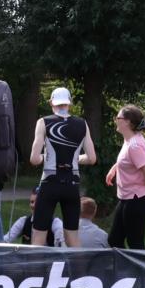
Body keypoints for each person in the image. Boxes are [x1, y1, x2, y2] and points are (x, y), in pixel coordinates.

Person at [28, 86, 97, 247]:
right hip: (72, 184)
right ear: (69, 103)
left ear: (52, 102)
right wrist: (73, 159)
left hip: (50, 183)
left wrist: (47, 157)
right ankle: (80, 272)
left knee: (38, 236)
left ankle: (34, 271)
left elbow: (34, 159)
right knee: (72, 237)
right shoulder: (82, 124)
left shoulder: (43, 122)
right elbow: (92, 158)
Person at [105, 105, 145, 250]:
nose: (115, 120)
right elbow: (128, 159)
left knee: (135, 243)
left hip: (138, 199)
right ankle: (125, 271)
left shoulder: (134, 145)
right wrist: (114, 168)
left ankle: (140, 272)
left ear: (127, 122)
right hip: (129, 198)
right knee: (115, 239)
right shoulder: (130, 140)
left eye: (118, 117)